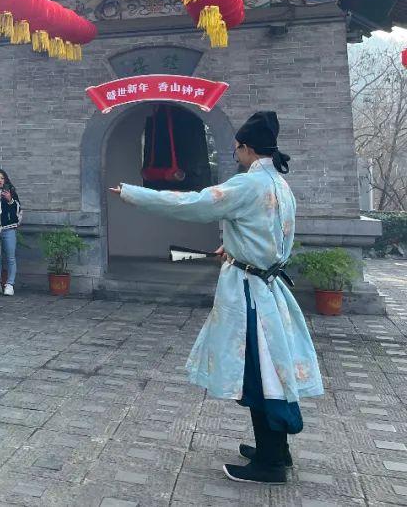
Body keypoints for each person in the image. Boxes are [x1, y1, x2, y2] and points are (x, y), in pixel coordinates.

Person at [111, 111, 323, 485]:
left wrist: (134, 193)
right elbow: (269, 235)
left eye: (237, 148)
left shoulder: (247, 185)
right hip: (268, 287)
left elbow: (193, 204)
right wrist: (237, 248)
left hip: (252, 296)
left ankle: (271, 463)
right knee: (269, 372)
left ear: (247, 148)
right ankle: (276, 450)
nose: (235, 154)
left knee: (261, 374)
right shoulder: (279, 184)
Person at [0, 169, 22, 296]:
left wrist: (10, 199)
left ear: (5, 180)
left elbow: (17, 210)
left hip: (8, 229)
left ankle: (10, 284)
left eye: (2, 178)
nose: (0, 180)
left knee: (11, 257)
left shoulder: (11, 192)